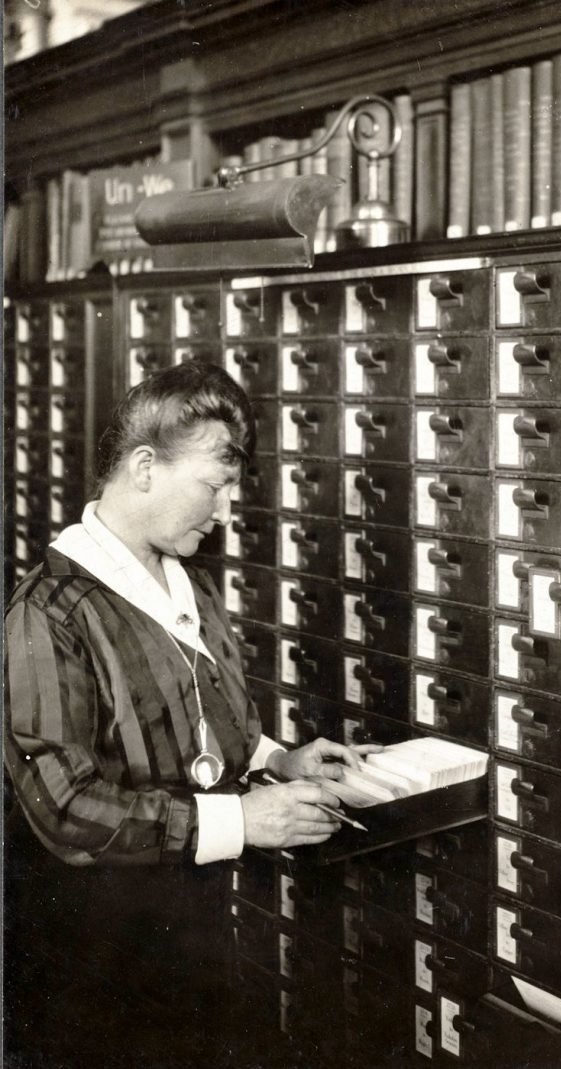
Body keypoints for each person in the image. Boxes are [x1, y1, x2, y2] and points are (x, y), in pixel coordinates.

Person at [4, 360, 373, 1068]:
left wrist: (274, 759)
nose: (227, 508)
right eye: (215, 483)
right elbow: (62, 805)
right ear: (144, 466)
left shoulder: (187, 582)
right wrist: (242, 820)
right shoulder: (47, 613)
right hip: (91, 953)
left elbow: (196, 722)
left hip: (190, 929)